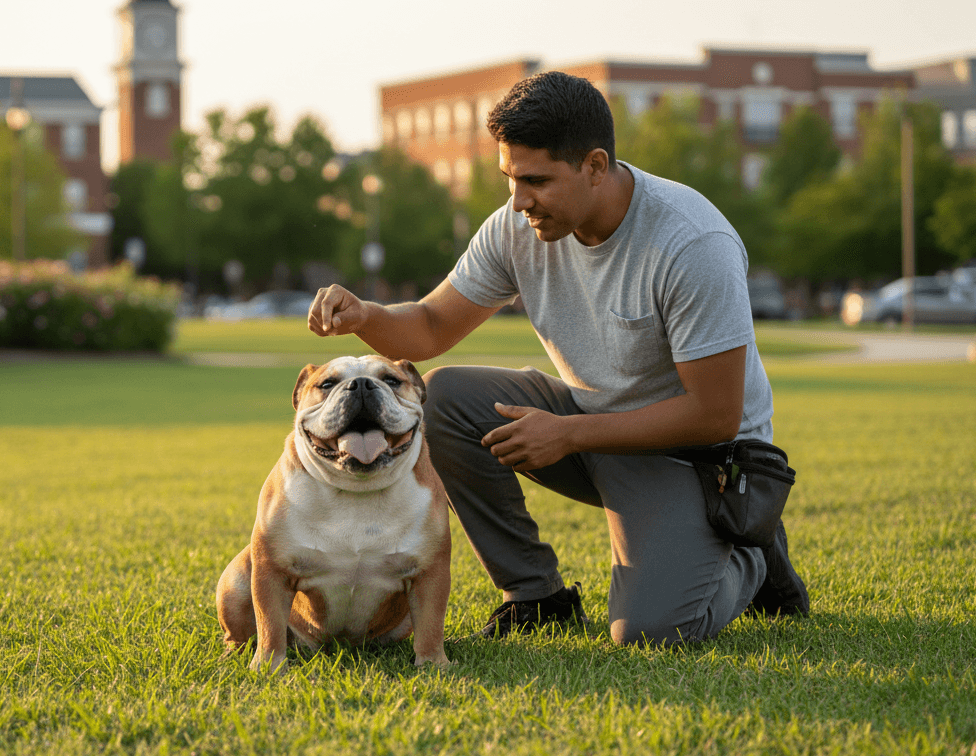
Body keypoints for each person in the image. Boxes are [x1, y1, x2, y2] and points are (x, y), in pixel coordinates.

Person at [306, 71, 808, 646]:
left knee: (650, 632)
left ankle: (754, 554)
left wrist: (569, 434)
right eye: (510, 179)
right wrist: (366, 315)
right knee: (443, 399)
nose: (518, 201)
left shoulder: (690, 243)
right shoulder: (518, 228)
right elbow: (431, 326)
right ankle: (534, 595)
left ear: (595, 166)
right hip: (588, 424)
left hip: (698, 459)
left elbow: (715, 414)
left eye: (536, 180)